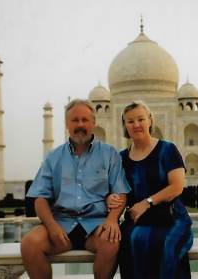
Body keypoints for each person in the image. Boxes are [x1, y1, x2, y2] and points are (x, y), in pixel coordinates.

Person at [21, 99, 130, 279]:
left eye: (85, 120)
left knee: (111, 241)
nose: (80, 125)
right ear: (67, 124)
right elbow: (40, 198)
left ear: (94, 123)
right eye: (75, 120)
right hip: (60, 226)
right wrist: (52, 226)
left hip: (96, 225)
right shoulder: (54, 157)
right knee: (29, 244)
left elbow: (121, 193)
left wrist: (111, 220)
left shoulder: (109, 154)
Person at [108, 101, 194, 279]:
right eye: (130, 121)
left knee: (165, 245)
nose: (136, 125)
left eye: (140, 119)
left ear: (149, 121)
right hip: (138, 220)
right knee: (129, 242)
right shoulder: (121, 158)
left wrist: (147, 203)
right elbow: (119, 192)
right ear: (125, 125)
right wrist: (110, 199)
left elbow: (177, 186)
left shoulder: (167, 149)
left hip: (170, 218)